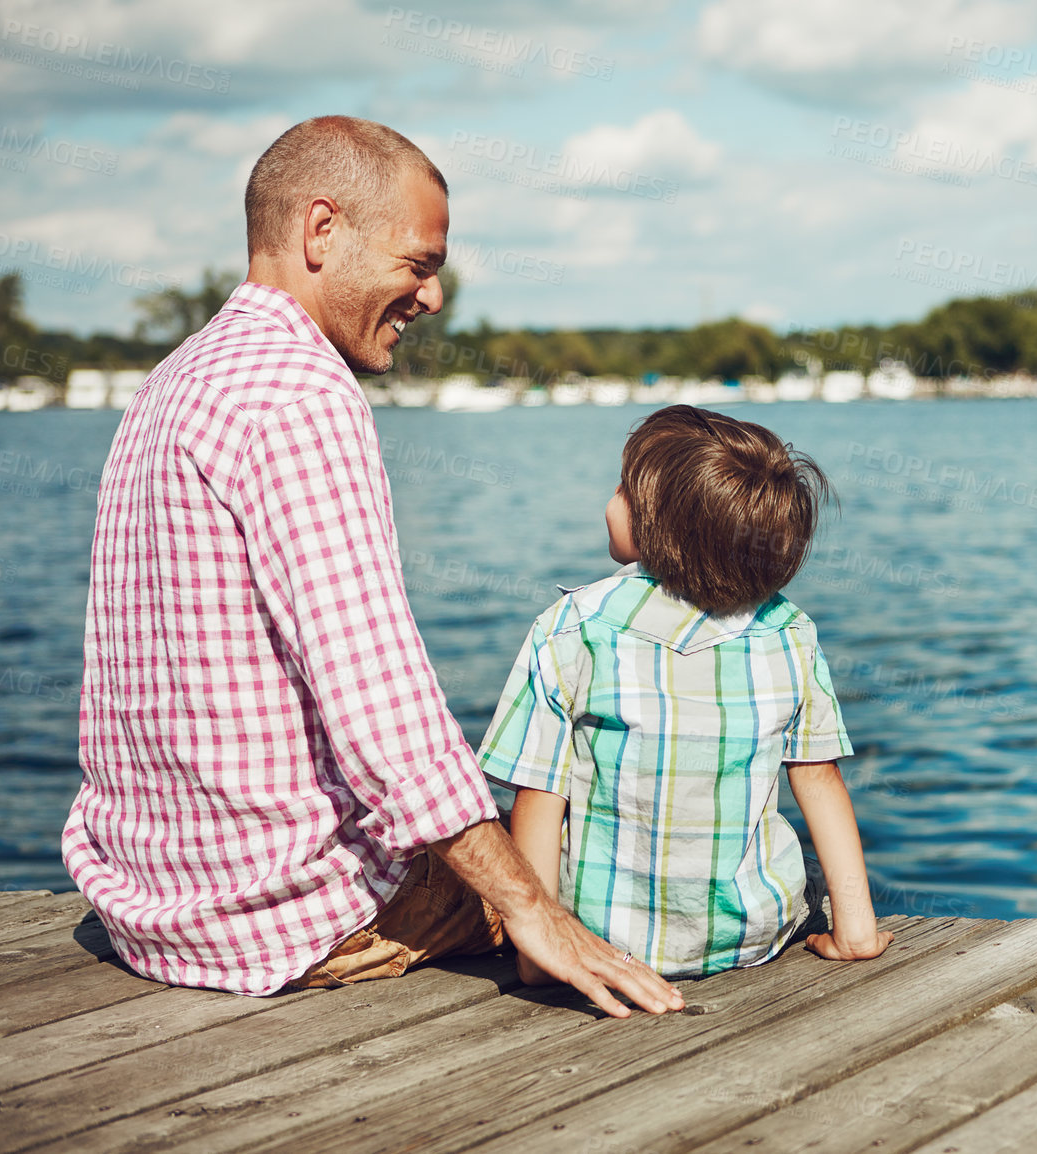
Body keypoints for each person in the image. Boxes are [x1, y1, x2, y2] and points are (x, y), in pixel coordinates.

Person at [61, 116, 683, 1016]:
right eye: (419, 265)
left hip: (149, 903)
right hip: (283, 912)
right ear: (322, 233)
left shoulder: (174, 380)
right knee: (577, 837)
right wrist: (530, 908)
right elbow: (378, 699)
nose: (431, 298)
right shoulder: (301, 393)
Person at [478, 405, 893, 979]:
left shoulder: (573, 627)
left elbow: (540, 796)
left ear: (664, 526)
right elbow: (817, 780)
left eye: (623, 488)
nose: (609, 500)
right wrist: (856, 932)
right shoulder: (790, 634)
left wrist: (537, 958)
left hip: (602, 941)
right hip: (751, 937)